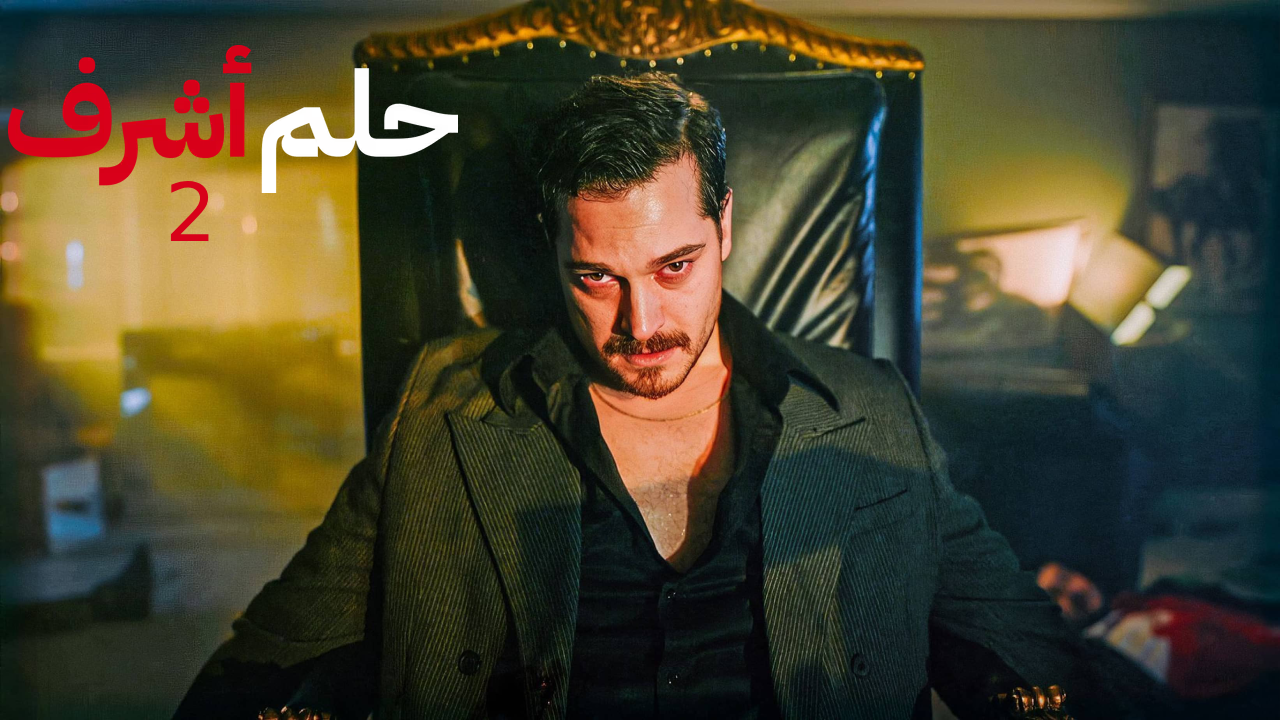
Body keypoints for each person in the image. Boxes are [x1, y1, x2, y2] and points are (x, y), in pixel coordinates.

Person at [174, 72, 1168, 720]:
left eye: (675, 265)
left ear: (724, 226)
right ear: (552, 251)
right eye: (595, 278)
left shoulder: (869, 409)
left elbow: (1031, 653)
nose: (640, 323)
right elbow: (264, 666)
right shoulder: (439, 414)